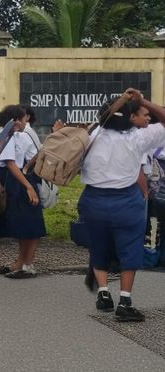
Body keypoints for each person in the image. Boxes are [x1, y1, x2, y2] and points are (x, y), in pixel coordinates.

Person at [78, 88, 165, 322]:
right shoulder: (137, 138)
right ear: (129, 117)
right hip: (126, 201)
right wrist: (142, 99)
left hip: (93, 200)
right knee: (130, 249)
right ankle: (125, 301)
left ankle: (104, 293)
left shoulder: (90, 136)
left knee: (98, 245)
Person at [0, 105, 43, 278]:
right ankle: (22, 262)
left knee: (30, 224)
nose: (25, 122)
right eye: (23, 119)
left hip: (21, 182)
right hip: (18, 183)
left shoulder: (19, 136)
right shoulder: (8, 136)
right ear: (15, 122)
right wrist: (28, 186)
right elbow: (11, 164)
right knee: (26, 225)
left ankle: (27, 264)